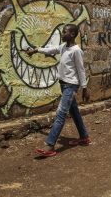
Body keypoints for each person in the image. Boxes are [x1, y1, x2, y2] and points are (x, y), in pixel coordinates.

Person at [26, 24, 90, 157]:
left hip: (71, 86)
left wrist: (84, 88)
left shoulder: (76, 51)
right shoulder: (63, 47)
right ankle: (84, 137)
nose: (62, 34)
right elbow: (51, 50)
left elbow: (81, 70)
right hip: (64, 85)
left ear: (72, 34)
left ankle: (50, 145)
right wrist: (36, 50)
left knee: (61, 113)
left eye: (64, 32)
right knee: (74, 112)